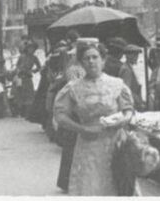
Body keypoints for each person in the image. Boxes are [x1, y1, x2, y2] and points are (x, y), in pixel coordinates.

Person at [53, 43, 135, 195]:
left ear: (103, 60)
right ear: (81, 63)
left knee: (116, 186)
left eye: (95, 57)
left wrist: (122, 121)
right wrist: (81, 129)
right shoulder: (73, 87)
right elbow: (60, 116)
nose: (91, 61)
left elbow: (128, 110)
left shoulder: (116, 84)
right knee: (90, 186)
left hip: (115, 143)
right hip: (88, 144)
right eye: (86, 58)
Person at [55, 38, 91, 192]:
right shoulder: (73, 69)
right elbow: (75, 89)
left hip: (81, 109)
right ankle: (67, 181)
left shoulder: (81, 67)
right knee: (72, 147)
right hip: (75, 110)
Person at [103, 37, 144, 111]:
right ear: (129, 56)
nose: (136, 58)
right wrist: (137, 101)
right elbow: (126, 89)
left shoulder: (127, 67)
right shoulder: (126, 69)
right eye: (135, 55)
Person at [14, 42, 42, 117]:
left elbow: (39, 67)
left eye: (33, 49)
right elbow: (17, 66)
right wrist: (18, 73)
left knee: (29, 95)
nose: (32, 50)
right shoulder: (22, 57)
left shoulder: (34, 58)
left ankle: (27, 113)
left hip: (28, 77)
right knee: (20, 95)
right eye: (30, 48)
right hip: (21, 77)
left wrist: (33, 71)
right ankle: (19, 112)